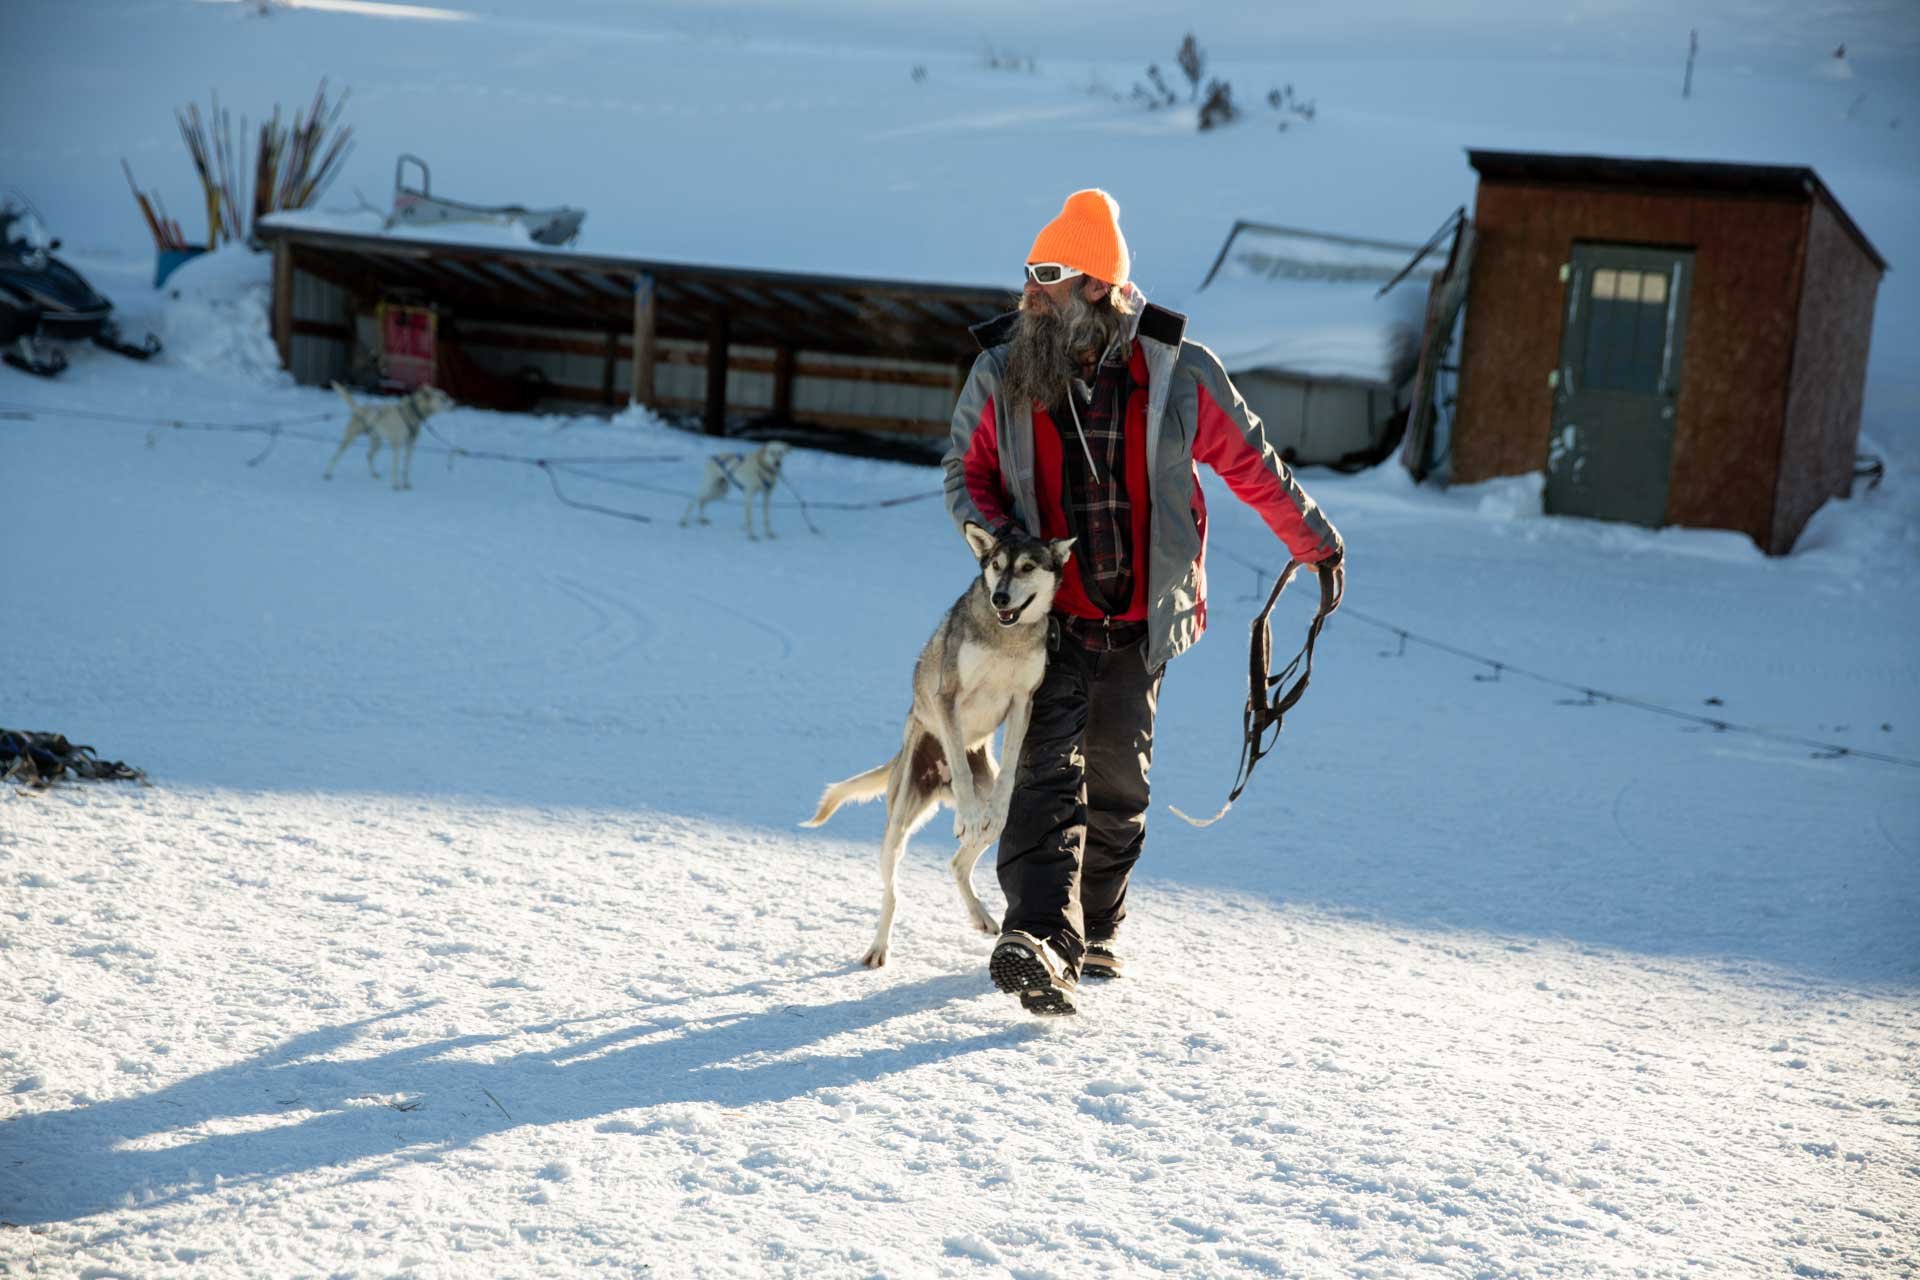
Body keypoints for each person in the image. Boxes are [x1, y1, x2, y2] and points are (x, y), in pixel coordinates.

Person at [943, 189, 1345, 1016]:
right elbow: (966, 473)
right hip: (1043, 626)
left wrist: (1315, 544)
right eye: (1027, 271)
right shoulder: (1005, 369)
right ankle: (1035, 937)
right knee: (1043, 775)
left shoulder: (1177, 369)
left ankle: (1091, 930)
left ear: (1097, 283)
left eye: (1047, 273)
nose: (1029, 289)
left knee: (1118, 781)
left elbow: (1251, 463)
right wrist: (996, 543)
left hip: (1139, 618)